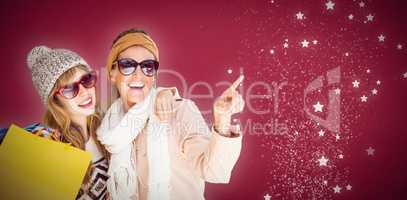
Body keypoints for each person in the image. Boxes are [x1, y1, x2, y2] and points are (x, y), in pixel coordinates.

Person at [1, 45, 177, 200]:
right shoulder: (47, 141)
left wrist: (164, 93)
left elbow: (141, 104)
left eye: (86, 80)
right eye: (70, 89)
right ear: (55, 101)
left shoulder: (109, 124)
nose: (84, 92)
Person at [97, 28, 245, 200]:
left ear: (154, 75)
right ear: (112, 74)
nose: (138, 75)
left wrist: (222, 120)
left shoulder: (180, 111)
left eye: (147, 66)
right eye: (127, 65)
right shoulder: (107, 129)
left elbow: (214, 171)